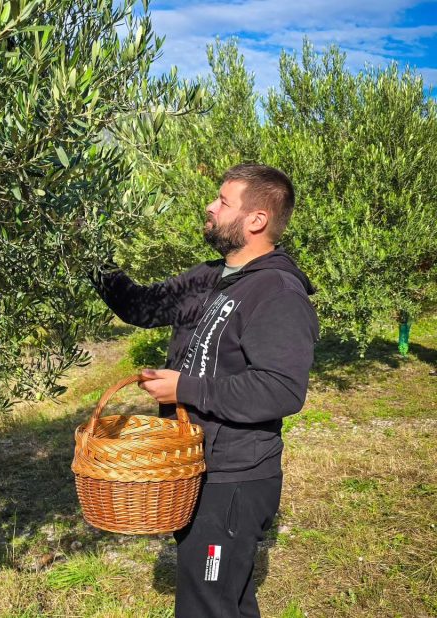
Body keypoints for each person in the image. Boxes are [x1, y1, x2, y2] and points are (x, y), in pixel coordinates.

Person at [89, 163, 319, 618]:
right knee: (224, 601)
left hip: (234, 480)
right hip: (196, 467)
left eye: (223, 201)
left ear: (256, 220)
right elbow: (141, 306)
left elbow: (280, 390)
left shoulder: (277, 292)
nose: (210, 207)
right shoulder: (207, 276)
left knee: (206, 605)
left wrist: (185, 387)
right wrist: (89, 254)